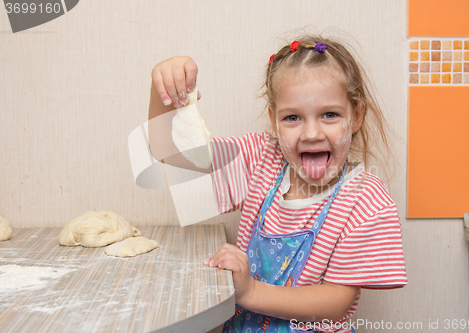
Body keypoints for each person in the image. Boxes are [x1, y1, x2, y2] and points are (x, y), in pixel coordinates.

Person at [148, 35, 407, 333]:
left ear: (357, 116)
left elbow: (337, 301)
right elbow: (171, 156)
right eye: (293, 117)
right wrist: (165, 94)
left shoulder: (366, 199)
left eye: (330, 115)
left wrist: (251, 292)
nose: (311, 133)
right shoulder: (261, 160)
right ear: (274, 120)